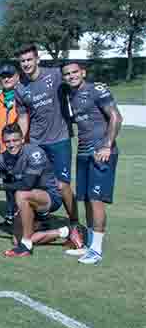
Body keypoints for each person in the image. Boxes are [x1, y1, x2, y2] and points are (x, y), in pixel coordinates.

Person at [15, 44, 81, 244]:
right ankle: (41, 220)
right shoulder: (20, 88)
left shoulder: (55, 75)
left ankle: (74, 225)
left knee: (62, 186)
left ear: (37, 59)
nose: (26, 64)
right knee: (38, 184)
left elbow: (75, 86)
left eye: (29, 59)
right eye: (22, 61)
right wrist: (20, 142)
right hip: (37, 143)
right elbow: (23, 118)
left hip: (59, 140)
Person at [60, 61, 123, 265]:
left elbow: (116, 117)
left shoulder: (97, 89)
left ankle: (96, 250)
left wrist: (107, 145)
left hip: (101, 152)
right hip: (84, 152)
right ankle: (88, 245)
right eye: (67, 74)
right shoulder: (70, 95)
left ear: (83, 72)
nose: (71, 76)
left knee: (96, 199)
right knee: (85, 198)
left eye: (75, 72)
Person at [0, 124, 65, 258]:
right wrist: (12, 212)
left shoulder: (34, 152)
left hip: (49, 197)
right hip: (26, 201)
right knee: (17, 241)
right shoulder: (2, 159)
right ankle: (65, 232)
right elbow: (9, 185)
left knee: (21, 194)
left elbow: (27, 184)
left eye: (15, 140)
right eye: (7, 142)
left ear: (22, 140)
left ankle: (27, 246)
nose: (11, 145)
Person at [0, 63, 21, 226]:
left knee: (22, 184)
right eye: (3, 76)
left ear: (17, 77)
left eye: (10, 75)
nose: (7, 79)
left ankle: (25, 216)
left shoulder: (23, 95)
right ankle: (10, 213)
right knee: (8, 184)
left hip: (21, 150)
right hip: (3, 150)